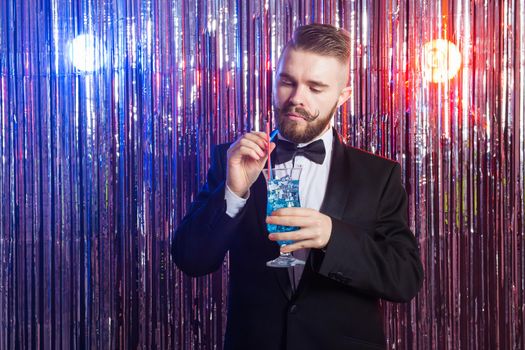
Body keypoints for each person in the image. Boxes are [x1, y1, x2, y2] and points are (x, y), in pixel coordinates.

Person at [172, 23, 424, 350]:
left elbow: (404, 279)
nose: (296, 99)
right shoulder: (231, 159)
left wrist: (333, 236)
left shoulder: (378, 175)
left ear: (342, 95)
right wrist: (234, 194)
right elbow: (191, 260)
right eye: (287, 82)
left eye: (316, 88)